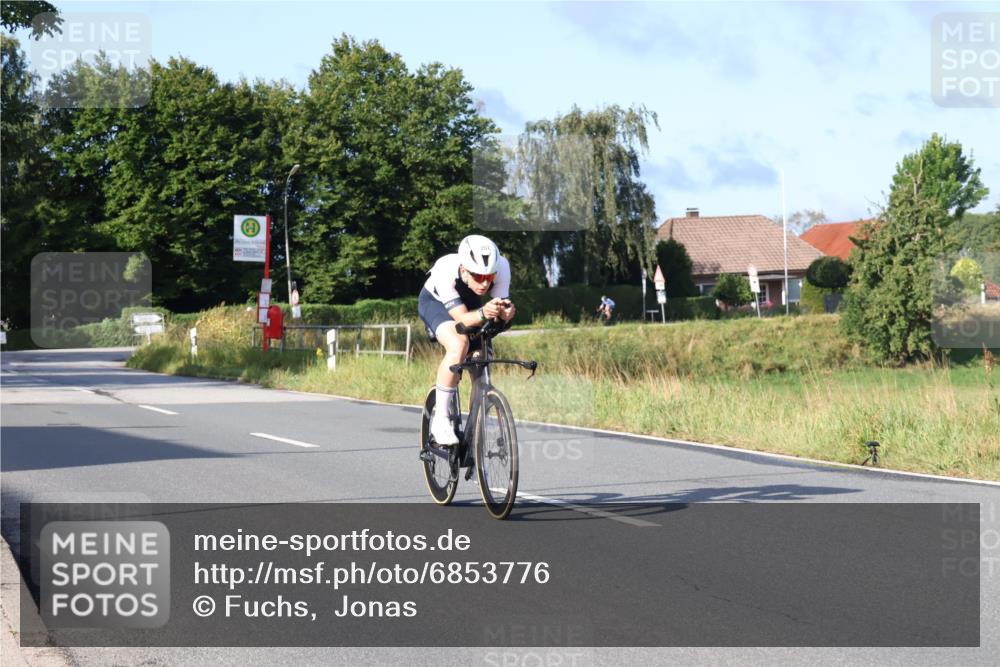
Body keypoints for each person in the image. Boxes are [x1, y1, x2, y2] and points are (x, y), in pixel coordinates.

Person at [418, 234, 516, 445]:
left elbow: (500, 310)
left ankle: (474, 433)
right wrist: (483, 313)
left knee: (481, 359)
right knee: (459, 343)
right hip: (436, 302)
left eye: (489, 277)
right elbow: (462, 319)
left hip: (471, 303)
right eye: (478, 276)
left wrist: (506, 314)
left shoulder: (502, 266)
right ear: (464, 270)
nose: (485, 283)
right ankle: (441, 419)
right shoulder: (446, 269)